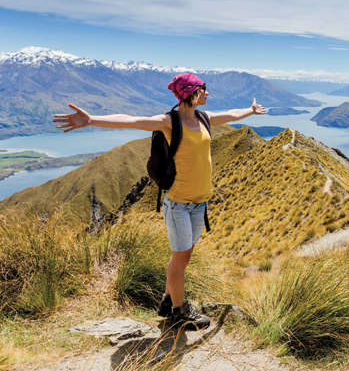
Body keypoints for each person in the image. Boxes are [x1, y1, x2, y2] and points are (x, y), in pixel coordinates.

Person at [53, 72, 266, 329]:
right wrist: (91, 119)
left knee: (179, 258)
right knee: (182, 260)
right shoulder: (169, 123)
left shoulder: (204, 118)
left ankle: (168, 299)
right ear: (192, 92)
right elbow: (131, 121)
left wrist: (250, 110)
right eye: (204, 89)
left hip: (200, 204)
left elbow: (231, 114)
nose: (208, 93)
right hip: (179, 205)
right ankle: (179, 311)